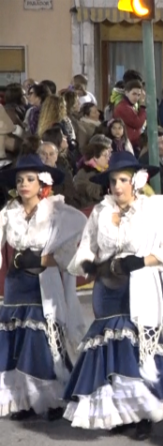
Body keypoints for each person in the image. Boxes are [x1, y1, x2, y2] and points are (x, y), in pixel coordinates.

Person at [62, 152, 163, 439]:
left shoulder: (154, 210)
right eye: (113, 180)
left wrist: (140, 261)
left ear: (135, 181)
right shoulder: (100, 212)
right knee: (111, 351)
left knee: (135, 350)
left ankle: (143, 413)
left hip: (140, 289)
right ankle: (121, 413)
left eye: (123, 179)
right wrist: (91, 264)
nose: (118, 186)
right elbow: (86, 249)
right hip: (106, 290)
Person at [0, 155, 87, 420]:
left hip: (43, 284)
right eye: (19, 180)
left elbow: (69, 253)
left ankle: (52, 399)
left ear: (42, 184)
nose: (24, 184)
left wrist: (38, 259)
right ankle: (23, 400)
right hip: (15, 285)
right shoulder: (9, 214)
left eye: (29, 179)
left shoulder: (56, 213)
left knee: (41, 342)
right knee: (16, 342)